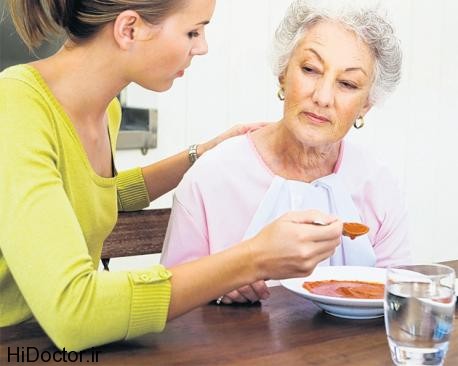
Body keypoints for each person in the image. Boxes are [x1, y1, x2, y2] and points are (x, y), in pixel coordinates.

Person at [0, 0, 344, 352]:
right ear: (129, 29)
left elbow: (86, 195)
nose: (203, 46)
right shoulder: (14, 107)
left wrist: (198, 155)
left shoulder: (104, 112)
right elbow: (75, 311)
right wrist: (254, 257)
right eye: (193, 31)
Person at [161, 0, 411, 305]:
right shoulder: (210, 178)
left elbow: (396, 300)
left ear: (366, 104)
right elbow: (166, 300)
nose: (322, 97)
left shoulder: (378, 185)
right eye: (310, 69)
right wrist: (216, 284)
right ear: (283, 73)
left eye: (347, 83)